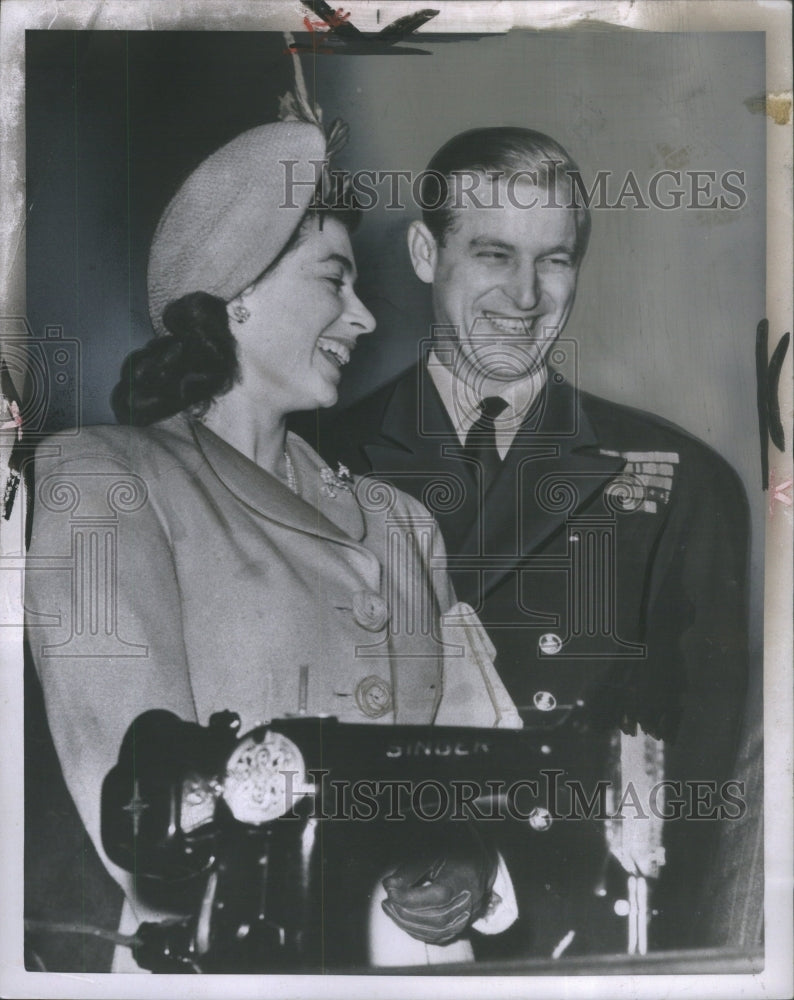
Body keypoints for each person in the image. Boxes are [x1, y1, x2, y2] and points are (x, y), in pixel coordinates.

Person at [23, 112, 518, 971]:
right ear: (238, 295)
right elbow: (131, 796)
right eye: (336, 280)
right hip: (234, 959)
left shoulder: (403, 524)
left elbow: (479, 762)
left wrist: (465, 865)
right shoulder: (101, 480)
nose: (363, 319)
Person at [317, 127, 751, 956]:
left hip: (574, 935)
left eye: (553, 260)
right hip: (363, 927)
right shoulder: (315, 459)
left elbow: (687, 777)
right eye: (491, 254)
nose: (525, 297)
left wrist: (502, 869)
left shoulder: (682, 483)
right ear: (422, 251)